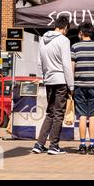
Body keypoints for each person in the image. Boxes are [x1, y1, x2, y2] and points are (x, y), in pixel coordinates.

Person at [32, 16, 74, 155]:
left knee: (50, 112)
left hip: (49, 79)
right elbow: (67, 65)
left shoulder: (43, 39)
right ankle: (54, 145)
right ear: (66, 27)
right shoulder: (64, 40)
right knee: (58, 114)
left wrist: (44, 77)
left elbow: (39, 61)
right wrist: (71, 86)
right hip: (61, 80)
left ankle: (39, 144)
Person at [71, 22, 94, 155]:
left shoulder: (75, 47)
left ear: (81, 32)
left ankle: (82, 144)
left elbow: (72, 66)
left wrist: (72, 85)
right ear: (92, 33)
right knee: (93, 115)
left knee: (81, 115)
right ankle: (92, 144)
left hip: (79, 85)